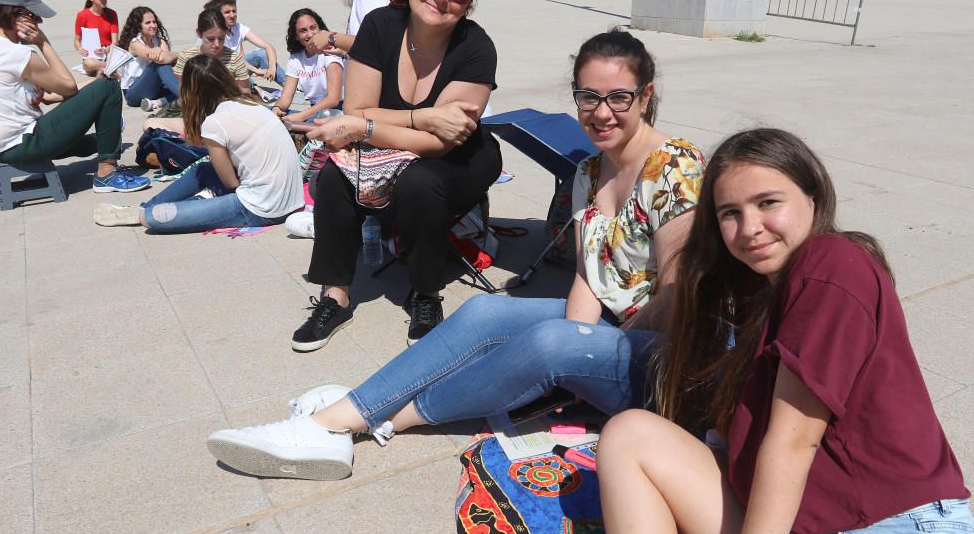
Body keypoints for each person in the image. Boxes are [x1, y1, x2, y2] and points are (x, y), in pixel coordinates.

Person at [204, 27, 706, 482]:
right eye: (588, 97)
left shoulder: (675, 166)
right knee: (488, 310)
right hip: (609, 332)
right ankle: (351, 411)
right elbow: (588, 281)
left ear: (645, 96)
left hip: (662, 354)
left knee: (550, 343)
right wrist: (579, 348)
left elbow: (678, 295)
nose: (601, 112)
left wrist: (581, 348)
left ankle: (358, 421)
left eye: (618, 97)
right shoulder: (590, 174)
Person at [593, 129, 972, 534]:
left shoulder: (832, 264)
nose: (749, 228)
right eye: (730, 213)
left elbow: (793, 443)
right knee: (631, 434)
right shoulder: (767, 295)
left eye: (768, 203)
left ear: (813, 196)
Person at [288, 0, 508, 348]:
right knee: (335, 176)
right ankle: (334, 294)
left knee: (421, 182)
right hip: (393, 146)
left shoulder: (475, 47)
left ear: (469, 0)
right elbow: (358, 109)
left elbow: (440, 142)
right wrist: (418, 116)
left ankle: (425, 292)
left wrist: (366, 127)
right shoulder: (380, 27)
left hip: (464, 155)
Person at [0, 0, 149, 194]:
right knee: (111, 87)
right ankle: (107, 174)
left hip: (6, 145)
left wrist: (95, 85)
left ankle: (109, 131)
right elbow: (68, 87)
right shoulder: (15, 55)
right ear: (15, 15)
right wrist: (43, 43)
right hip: (24, 143)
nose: (39, 22)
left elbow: (48, 96)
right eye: (34, 15)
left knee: (90, 141)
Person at [93, 55, 303, 232]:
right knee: (203, 169)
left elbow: (231, 183)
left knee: (154, 219)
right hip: (293, 201)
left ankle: (146, 210)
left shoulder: (214, 122)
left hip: (262, 209)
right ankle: (146, 207)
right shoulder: (252, 103)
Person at [271, 8, 343, 124]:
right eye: (303, 31)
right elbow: (286, 97)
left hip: (337, 110)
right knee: (268, 111)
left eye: (313, 28)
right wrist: (277, 108)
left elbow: (333, 99)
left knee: (313, 118)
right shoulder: (296, 58)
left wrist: (301, 116)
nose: (310, 34)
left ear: (320, 28)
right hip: (314, 111)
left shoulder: (330, 52)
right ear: (296, 36)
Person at [204, 0, 283, 87]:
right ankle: (252, 88)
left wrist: (272, 67)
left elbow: (268, 46)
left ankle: (290, 87)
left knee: (261, 54)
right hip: (223, 74)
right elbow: (233, 62)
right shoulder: (217, 33)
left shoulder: (238, 28)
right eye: (227, 12)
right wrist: (256, 70)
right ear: (219, 14)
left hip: (239, 68)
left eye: (234, 11)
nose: (232, 15)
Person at [117, 6, 178, 111]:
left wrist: (174, 54)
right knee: (158, 64)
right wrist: (165, 53)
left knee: (188, 86)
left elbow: (168, 59)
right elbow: (161, 59)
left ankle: (157, 103)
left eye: (154, 22)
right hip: (134, 92)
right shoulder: (134, 43)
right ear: (139, 26)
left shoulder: (159, 41)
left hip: (154, 88)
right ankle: (188, 98)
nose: (153, 25)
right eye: (148, 23)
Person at [73, 0, 118, 76]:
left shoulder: (112, 14)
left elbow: (115, 42)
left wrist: (106, 50)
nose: (104, 0)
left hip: (108, 52)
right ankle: (110, 67)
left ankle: (104, 68)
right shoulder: (82, 15)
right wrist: (80, 49)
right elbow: (77, 40)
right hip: (92, 56)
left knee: (92, 66)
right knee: (88, 63)